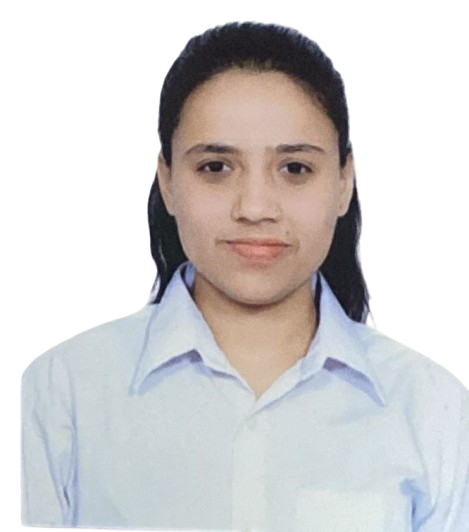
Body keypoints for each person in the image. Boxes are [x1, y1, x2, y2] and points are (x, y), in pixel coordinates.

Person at [20, 21, 468, 531]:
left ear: (345, 182)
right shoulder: (62, 392)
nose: (255, 208)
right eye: (216, 167)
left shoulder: (432, 406)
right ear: (167, 181)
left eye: (295, 168)